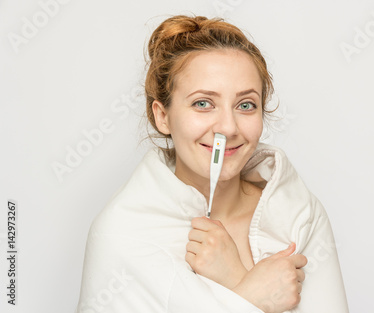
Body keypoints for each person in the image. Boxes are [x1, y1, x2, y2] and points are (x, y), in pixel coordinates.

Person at [76, 14, 349, 313]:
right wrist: (248, 295)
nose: (228, 128)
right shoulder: (120, 234)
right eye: (203, 103)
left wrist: (234, 277)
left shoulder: (300, 214)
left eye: (245, 105)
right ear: (162, 116)